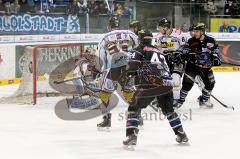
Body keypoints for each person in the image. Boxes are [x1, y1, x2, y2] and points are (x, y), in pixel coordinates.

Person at [123, 30, 188, 148]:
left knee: (133, 107)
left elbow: (131, 68)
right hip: (166, 83)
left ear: (140, 39)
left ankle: (131, 135)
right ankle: (181, 134)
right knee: (169, 110)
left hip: (150, 83)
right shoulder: (159, 51)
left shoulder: (138, 49)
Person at [96, 16, 138, 130]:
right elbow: (138, 49)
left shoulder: (105, 37)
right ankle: (137, 117)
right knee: (129, 93)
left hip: (112, 69)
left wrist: (100, 71)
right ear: (119, 25)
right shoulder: (130, 34)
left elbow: (101, 58)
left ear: (109, 26)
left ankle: (106, 119)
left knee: (104, 93)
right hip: (128, 68)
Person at [176, 23, 221, 108]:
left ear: (202, 32)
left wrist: (216, 58)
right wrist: (183, 55)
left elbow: (216, 51)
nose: (194, 33)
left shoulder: (211, 40)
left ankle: (204, 100)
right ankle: (180, 101)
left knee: (211, 84)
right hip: (192, 67)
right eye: (194, 31)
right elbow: (184, 50)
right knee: (187, 85)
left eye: (196, 31)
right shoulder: (191, 41)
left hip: (206, 68)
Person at [154, 18, 186, 105]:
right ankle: (160, 98)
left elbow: (184, 47)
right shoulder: (158, 36)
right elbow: (156, 49)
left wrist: (178, 54)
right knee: (162, 79)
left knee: (175, 78)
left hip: (177, 60)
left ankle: (175, 99)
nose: (159, 29)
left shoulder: (178, 33)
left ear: (165, 27)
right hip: (164, 60)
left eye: (160, 27)